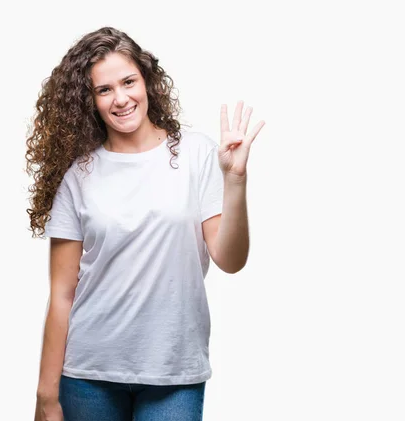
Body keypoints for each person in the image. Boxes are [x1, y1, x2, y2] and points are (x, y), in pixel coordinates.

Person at [25, 26, 265, 421]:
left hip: (174, 370)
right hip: (88, 374)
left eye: (128, 82)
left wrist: (235, 182)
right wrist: (46, 396)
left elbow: (230, 258)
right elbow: (62, 295)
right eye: (104, 90)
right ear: (90, 100)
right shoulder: (79, 175)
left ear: (147, 81)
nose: (120, 98)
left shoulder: (197, 154)